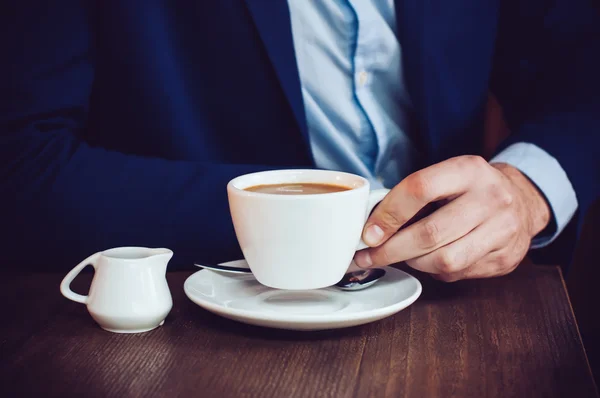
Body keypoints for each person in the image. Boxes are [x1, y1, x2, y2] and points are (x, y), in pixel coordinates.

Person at [1, 1, 598, 280]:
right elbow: (21, 164)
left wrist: (525, 191)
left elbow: (584, 70)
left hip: (454, 286)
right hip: (193, 305)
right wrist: (313, 218)